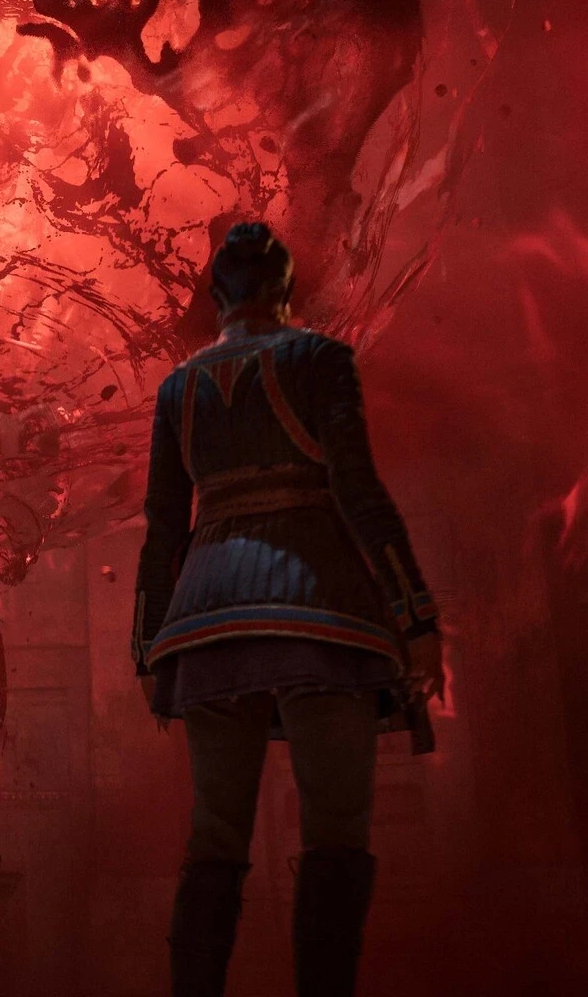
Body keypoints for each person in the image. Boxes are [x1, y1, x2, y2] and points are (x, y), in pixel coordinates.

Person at [131, 223, 445, 997]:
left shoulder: (176, 389)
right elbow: (358, 491)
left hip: (205, 619)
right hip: (318, 605)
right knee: (335, 831)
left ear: (216, 298)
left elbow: (164, 528)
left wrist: (147, 647)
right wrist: (414, 615)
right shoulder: (321, 360)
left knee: (216, 836)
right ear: (287, 288)